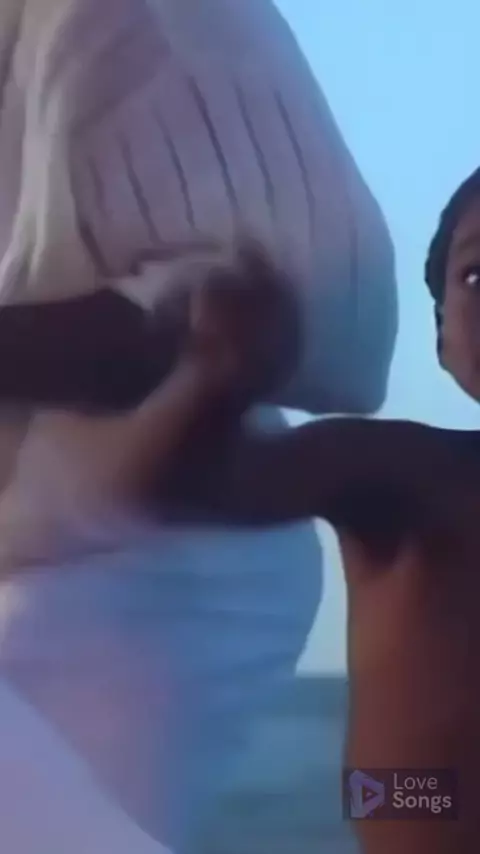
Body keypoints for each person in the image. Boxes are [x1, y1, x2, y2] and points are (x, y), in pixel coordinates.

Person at [100, 167, 480, 854]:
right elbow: (171, 487)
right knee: (406, 792)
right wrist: (214, 376)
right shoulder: (402, 467)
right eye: (477, 276)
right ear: (442, 334)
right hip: (420, 809)